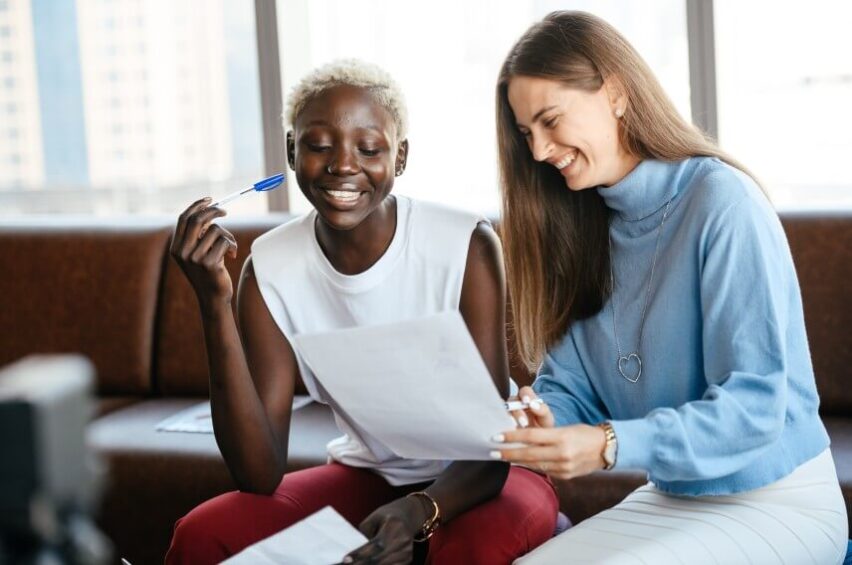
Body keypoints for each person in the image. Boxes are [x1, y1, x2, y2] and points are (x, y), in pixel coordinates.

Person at [164, 59, 557, 565]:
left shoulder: (466, 244)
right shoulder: (269, 267)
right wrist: (212, 302)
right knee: (204, 535)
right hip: (371, 475)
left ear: (399, 157)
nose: (342, 165)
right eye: (319, 145)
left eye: (368, 148)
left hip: (490, 473)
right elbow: (257, 473)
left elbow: (489, 449)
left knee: (467, 551)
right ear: (291, 150)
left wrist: (417, 513)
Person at [489, 11, 848, 565]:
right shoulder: (576, 227)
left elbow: (754, 407)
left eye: (551, 120)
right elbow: (571, 391)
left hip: (780, 499)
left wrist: (609, 444)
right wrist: (542, 421)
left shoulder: (721, 203)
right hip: (673, 496)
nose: (538, 151)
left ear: (615, 93)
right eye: (525, 133)